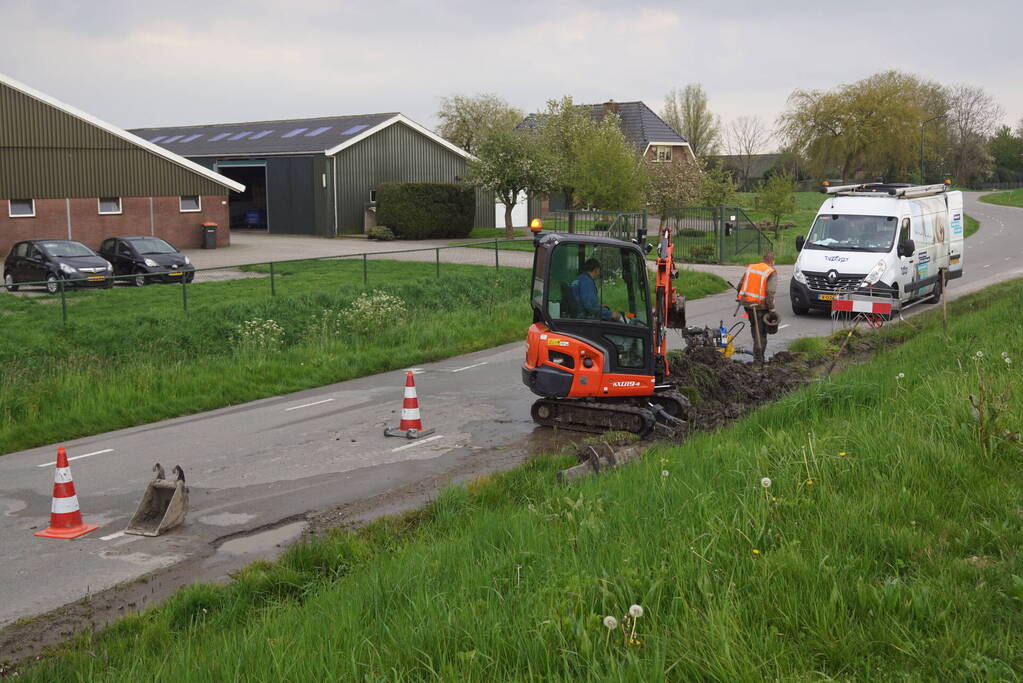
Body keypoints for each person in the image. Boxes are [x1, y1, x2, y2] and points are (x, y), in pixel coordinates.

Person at [736, 251, 777, 363]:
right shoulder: (771, 272)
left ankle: (757, 356)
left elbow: (740, 285)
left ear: (763, 259)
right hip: (760, 306)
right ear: (772, 261)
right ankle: (759, 359)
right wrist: (772, 308)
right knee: (761, 333)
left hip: (747, 305)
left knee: (755, 329)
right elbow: (770, 292)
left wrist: (741, 296)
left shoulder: (751, 267)